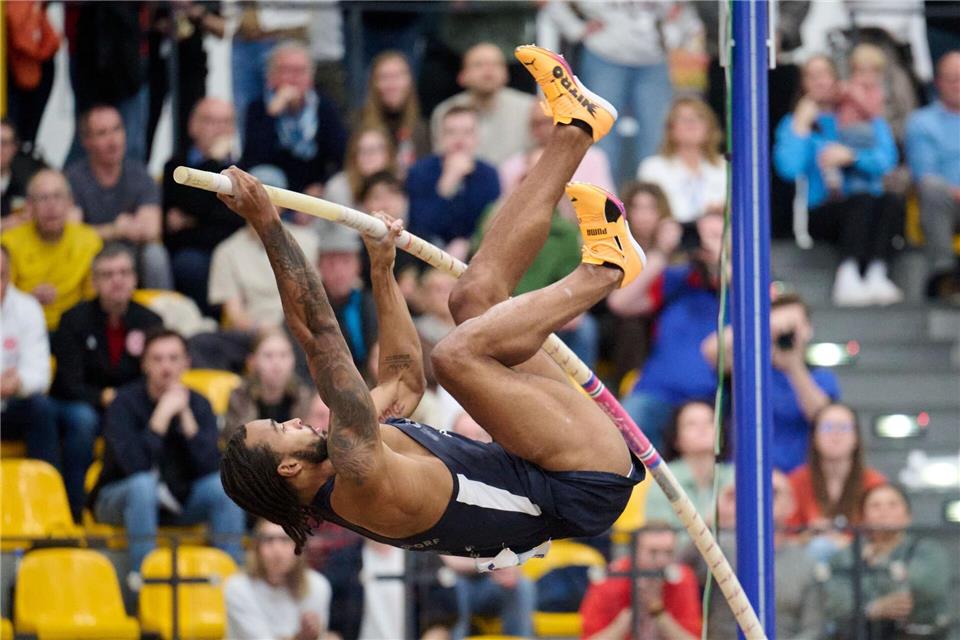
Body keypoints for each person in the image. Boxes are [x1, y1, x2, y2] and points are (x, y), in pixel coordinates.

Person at [218, 45, 648, 564]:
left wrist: (382, 273)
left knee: (473, 299)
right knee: (454, 356)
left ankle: (576, 128)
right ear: (288, 469)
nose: (292, 421)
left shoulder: (349, 450)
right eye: (280, 430)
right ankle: (605, 270)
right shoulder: (358, 476)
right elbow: (319, 337)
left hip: (553, 462)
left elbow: (404, 379)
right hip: (582, 480)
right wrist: (267, 224)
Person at [90, 328, 245, 575]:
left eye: (174, 358)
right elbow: (133, 466)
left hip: (177, 500)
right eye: (158, 359)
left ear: (187, 363)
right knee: (143, 486)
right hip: (117, 499)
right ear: (144, 365)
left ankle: (232, 581)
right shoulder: (123, 403)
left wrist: (186, 418)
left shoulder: (199, 403)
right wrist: (161, 417)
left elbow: (210, 468)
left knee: (225, 488)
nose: (166, 367)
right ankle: (146, 581)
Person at [774, 54, 903, 306]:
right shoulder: (795, 122)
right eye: (812, 76)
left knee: (891, 201)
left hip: (870, 206)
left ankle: (876, 272)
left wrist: (853, 157)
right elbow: (788, 169)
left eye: (825, 74)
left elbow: (888, 159)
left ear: (836, 79)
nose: (820, 81)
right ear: (803, 84)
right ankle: (848, 274)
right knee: (861, 202)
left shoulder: (861, 114)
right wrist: (801, 125)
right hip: (824, 210)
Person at [49, 243, 163, 518]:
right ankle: (76, 509)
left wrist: (123, 400)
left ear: (135, 279)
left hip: (132, 406)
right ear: (94, 282)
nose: (117, 280)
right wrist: (103, 397)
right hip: (83, 405)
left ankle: (155, 502)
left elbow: (156, 374)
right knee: (83, 420)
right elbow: (67, 382)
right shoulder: (73, 320)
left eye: (124, 273)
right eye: (108, 274)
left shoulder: (150, 321)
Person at [610, 212, 724, 451]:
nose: (705, 242)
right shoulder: (677, 279)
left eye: (716, 235)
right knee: (619, 433)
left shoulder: (744, 286)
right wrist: (661, 253)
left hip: (711, 398)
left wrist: (723, 264)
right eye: (700, 234)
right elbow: (620, 303)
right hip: (657, 391)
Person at [703, 291, 840, 472]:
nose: (785, 331)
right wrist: (758, 324)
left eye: (793, 325)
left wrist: (793, 366)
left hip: (800, 476)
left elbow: (821, 417)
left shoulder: (821, 378)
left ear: (808, 329)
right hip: (747, 474)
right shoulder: (749, 370)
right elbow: (710, 350)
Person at [541, 2, 676, 184]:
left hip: (653, 59)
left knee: (656, 136)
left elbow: (682, 8)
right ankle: (600, 196)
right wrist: (574, 29)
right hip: (604, 56)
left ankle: (654, 197)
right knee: (601, 134)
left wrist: (676, 33)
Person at [682, 471, 825, 639]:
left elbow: (813, 629)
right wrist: (715, 514)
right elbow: (678, 564)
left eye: (774, 492)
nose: (763, 497)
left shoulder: (805, 563)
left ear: (791, 505)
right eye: (755, 491)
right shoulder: (722, 546)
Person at [441, 412, 536, 640]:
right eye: (465, 435)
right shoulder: (441, 483)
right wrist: (490, 565)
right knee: (452, 588)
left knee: (522, 585)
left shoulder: (502, 484)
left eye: (479, 435)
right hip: (452, 579)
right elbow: (441, 558)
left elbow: (517, 541)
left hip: (490, 580)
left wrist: (510, 566)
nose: (474, 441)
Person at [824, 484, 952, 639]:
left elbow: (925, 587)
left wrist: (878, 562)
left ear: (908, 516)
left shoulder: (926, 550)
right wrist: (871, 609)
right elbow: (833, 599)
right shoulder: (846, 557)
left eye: (893, 505)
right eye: (875, 506)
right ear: (863, 518)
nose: (884, 511)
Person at [65, 105, 173, 290]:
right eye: (102, 133)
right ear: (86, 141)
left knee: (155, 255)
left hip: (132, 257)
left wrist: (99, 230)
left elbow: (152, 229)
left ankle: (161, 307)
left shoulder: (140, 175)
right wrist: (115, 229)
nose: (113, 140)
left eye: (117, 129)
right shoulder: (73, 179)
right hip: (91, 255)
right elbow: (70, 232)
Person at [162, 97, 246, 314]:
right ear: (193, 126)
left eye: (226, 122)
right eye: (210, 121)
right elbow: (179, 220)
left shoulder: (243, 167)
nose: (219, 129)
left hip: (235, 248)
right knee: (190, 265)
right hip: (196, 254)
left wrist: (195, 219)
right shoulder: (175, 165)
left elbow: (238, 220)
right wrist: (213, 162)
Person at [1, 169, 103, 330]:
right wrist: (27, 300)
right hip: (20, 325)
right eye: (43, 198)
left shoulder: (89, 241)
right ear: (29, 206)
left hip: (73, 328)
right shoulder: (9, 242)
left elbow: (95, 299)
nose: (51, 206)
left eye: (58, 196)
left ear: (70, 202)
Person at [240, 41, 348, 193]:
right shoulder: (258, 108)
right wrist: (271, 115)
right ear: (271, 77)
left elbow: (342, 156)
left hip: (313, 190)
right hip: (274, 188)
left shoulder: (324, 107)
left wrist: (321, 184)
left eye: (300, 71)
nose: (293, 78)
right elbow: (253, 160)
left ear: (311, 77)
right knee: (265, 177)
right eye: (286, 70)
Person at [787, 403, 887, 558]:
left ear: (856, 437)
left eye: (844, 427)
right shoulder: (795, 482)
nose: (835, 435)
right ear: (814, 437)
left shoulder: (874, 483)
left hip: (859, 564)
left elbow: (883, 539)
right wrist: (809, 535)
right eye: (827, 428)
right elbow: (782, 541)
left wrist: (845, 543)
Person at [406, 105, 500, 261]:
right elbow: (421, 227)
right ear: (440, 137)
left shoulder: (489, 174)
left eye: (467, 132)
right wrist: (447, 183)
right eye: (451, 132)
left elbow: (489, 225)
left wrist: (468, 244)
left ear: (477, 137)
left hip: (476, 256)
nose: (459, 140)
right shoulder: (420, 172)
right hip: (428, 256)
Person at [579, 522, 702, 640]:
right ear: (635, 551)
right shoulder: (610, 579)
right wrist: (621, 627)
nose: (662, 561)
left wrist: (660, 614)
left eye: (668, 552)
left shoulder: (682, 578)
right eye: (653, 552)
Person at [905, 50, 960, 301]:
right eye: (951, 79)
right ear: (938, 83)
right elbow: (924, 175)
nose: (957, 85)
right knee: (932, 189)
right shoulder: (921, 122)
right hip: (946, 201)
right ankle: (945, 275)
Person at [225, 519, 332, 640]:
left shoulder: (317, 585)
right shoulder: (238, 587)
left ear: (300, 547)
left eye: (285, 540)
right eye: (268, 540)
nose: (277, 550)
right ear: (256, 548)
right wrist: (301, 637)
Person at [430, 42, 535, 166]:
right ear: (462, 75)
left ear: (506, 74)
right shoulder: (445, 111)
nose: (488, 71)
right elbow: (441, 161)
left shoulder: (530, 108)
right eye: (478, 65)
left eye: (496, 64)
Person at [208, 215, 318, 332]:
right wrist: (266, 332)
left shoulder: (308, 241)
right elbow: (235, 315)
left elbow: (315, 302)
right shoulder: (226, 252)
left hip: (301, 330)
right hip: (254, 333)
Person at [643, 401, 733, 539]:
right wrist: (711, 522)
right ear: (676, 438)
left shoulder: (736, 477)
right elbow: (660, 544)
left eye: (710, 422)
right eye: (691, 424)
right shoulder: (663, 479)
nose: (702, 429)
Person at [0, 245, 55, 467]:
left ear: (9, 276)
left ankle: (47, 487)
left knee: (40, 407)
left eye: (0, 275)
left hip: (10, 406)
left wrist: (18, 381)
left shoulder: (27, 308)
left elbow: (40, 374)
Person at [637, 97, 727, 230]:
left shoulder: (725, 166)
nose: (691, 124)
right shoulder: (652, 168)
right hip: (670, 237)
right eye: (683, 119)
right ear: (670, 129)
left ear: (710, 127)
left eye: (698, 117)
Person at [224, 329, 315, 443]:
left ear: (294, 360)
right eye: (268, 356)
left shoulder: (304, 396)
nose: (277, 363)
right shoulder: (240, 397)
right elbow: (235, 442)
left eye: (284, 355)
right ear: (252, 362)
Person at [359, 51, 431, 172]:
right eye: (384, 77)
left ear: (410, 81)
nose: (392, 85)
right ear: (373, 83)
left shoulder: (422, 128)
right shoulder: (358, 125)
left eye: (398, 76)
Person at [323, 126, 398, 210]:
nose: (369, 156)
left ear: (389, 154)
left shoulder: (399, 186)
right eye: (362, 150)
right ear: (354, 157)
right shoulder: (339, 188)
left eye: (374, 149)